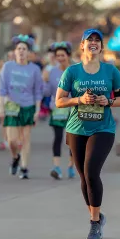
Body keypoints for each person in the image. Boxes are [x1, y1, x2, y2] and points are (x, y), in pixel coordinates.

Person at [55, 28, 120, 239]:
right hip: (76, 129)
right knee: (84, 176)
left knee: (91, 171)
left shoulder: (111, 71)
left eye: (97, 40)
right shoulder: (72, 72)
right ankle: (96, 215)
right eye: (90, 40)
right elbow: (59, 101)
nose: (93, 43)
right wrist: (79, 100)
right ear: (83, 46)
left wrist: (109, 101)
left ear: (102, 47)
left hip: (103, 128)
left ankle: (94, 224)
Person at [0, 35, 43, 179]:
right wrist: (0, 107)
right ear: (15, 52)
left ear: (28, 53)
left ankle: (24, 167)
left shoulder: (34, 69)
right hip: (11, 106)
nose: (21, 51)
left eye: (24, 49)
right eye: (19, 49)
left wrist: (37, 110)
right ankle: (15, 157)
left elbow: (38, 91)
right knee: (12, 141)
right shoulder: (8, 67)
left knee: (25, 138)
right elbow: (2, 88)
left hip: (28, 106)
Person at [43, 41, 75, 180]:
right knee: (57, 138)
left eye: (63, 55)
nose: (60, 58)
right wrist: (44, 81)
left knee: (73, 139)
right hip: (57, 109)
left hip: (73, 109)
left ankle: (71, 165)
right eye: (58, 56)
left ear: (68, 55)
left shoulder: (75, 70)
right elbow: (47, 92)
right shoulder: (51, 72)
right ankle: (56, 167)